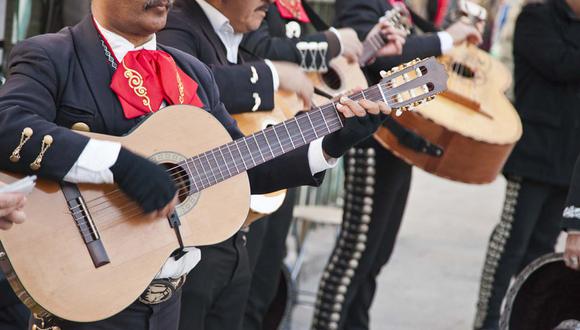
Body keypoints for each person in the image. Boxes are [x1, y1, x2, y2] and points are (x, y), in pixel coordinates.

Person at [0, 1, 389, 329]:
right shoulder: (51, 54)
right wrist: (116, 163)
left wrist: (331, 142)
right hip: (85, 289)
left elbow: (241, 163)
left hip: (171, 300)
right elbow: (8, 125)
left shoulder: (190, 70)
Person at [308, 1, 482, 329]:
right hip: (371, 137)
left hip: (400, 139)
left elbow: (414, 45)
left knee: (377, 254)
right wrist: (447, 36)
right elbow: (375, 49)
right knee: (355, 253)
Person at [237, 2, 406, 329]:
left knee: (265, 285)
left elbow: (312, 68)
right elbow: (258, 47)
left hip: (288, 143)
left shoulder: (300, 7)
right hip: (250, 134)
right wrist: (331, 41)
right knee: (240, 286)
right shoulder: (251, 7)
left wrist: (366, 49)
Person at [474, 0, 580, 327]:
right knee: (508, 247)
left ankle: (521, 321)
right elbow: (560, 64)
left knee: (541, 251)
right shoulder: (536, 16)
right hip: (533, 156)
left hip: (568, 162)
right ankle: (488, 322)